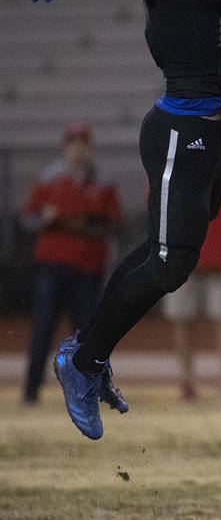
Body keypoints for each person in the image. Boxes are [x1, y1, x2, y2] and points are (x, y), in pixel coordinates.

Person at [22, 0, 221, 440]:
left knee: (171, 254)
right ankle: (82, 360)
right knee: (170, 260)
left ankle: (91, 354)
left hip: (211, 123)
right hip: (184, 123)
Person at [20, 123, 123, 405]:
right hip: (53, 264)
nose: (77, 150)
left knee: (86, 334)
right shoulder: (48, 178)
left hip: (88, 266)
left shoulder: (102, 181)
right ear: (65, 147)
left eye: (82, 144)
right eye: (73, 144)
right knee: (43, 327)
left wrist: (83, 224)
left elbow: (115, 225)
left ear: (89, 148)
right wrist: (47, 219)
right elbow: (28, 220)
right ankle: (31, 389)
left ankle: (86, 392)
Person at [160, 154, 221, 403]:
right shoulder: (175, 161)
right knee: (183, 320)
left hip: (217, 256)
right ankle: (188, 382)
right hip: (187, 254)